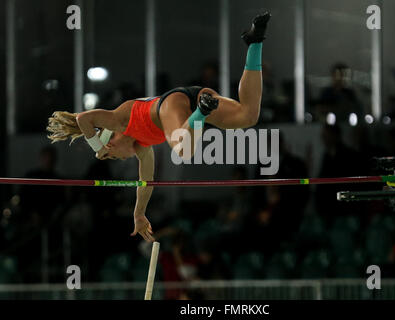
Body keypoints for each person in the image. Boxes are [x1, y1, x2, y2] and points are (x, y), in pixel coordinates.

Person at [46, 12, 271, 243]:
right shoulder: (143, 150)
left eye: (113, 156)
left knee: (183, 150)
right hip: (192, 100)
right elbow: (145, 184)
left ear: (109, 142)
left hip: (172, 104)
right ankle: (255, 41)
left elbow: (83, 118)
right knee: (248, 115)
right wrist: (139, 214)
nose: (121, 159)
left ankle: (201, 112)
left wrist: (96, 147)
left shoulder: (118, 120)